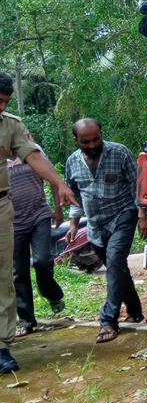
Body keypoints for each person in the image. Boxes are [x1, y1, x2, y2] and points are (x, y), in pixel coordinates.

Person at [0, 72, 78, 375]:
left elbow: (32, 155)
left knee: (5, 276)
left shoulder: (11, 125)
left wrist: (59, 184)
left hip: (4, 208)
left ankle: (2, 347)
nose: (2, 107)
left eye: (5, 102)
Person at [65, 118, 147, 344]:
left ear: (101, 134)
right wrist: (74, 224)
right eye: (86, 142)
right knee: (118, 268)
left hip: (122, 215)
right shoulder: (72, 162)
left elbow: (139, 186)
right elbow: (74, 195)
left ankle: (108, 321)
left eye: (96, 139)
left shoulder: (120, 153)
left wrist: (143, 216)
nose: (93, 145)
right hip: (94, 224)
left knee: (114, 262)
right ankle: (135, 310)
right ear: (76, 140)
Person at [10, 143, 66, 338]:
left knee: (42, 261)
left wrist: (57, 208)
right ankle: (26, 321)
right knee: (19, 271)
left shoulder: (33, 152)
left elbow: (52, 178)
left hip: (39, 216)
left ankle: (53, 295)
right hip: (12, 223)